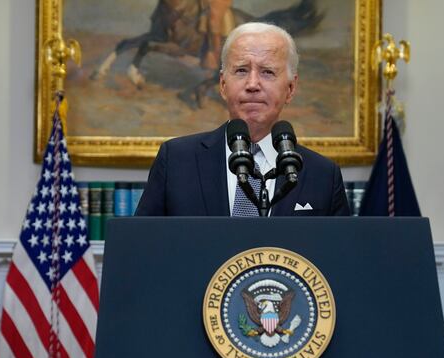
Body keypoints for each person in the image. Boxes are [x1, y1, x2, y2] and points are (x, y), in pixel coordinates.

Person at [135, 22, 350, 217]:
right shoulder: (176, 160)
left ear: (291, 89)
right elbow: (143, 247)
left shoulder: (322, 174)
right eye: (241, 70)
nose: (252, 84)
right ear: (222, 85)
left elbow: (338, 256)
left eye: (267, 72)